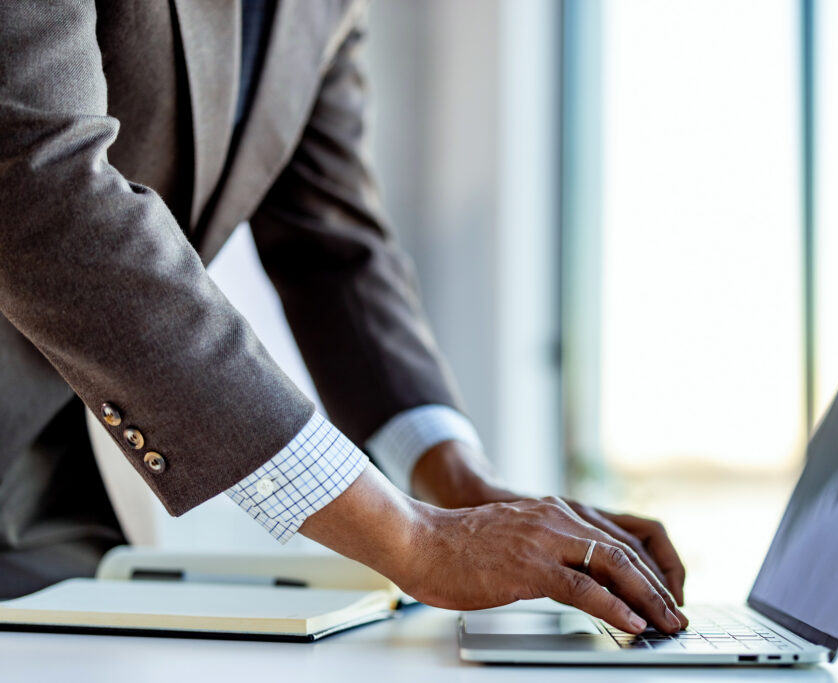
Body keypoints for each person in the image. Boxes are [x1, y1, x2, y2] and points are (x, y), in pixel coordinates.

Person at [0, 0, 686, 634]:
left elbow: (333, 248)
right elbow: (39, 185)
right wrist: (406, 536)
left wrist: (465, 487)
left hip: (34, 505)